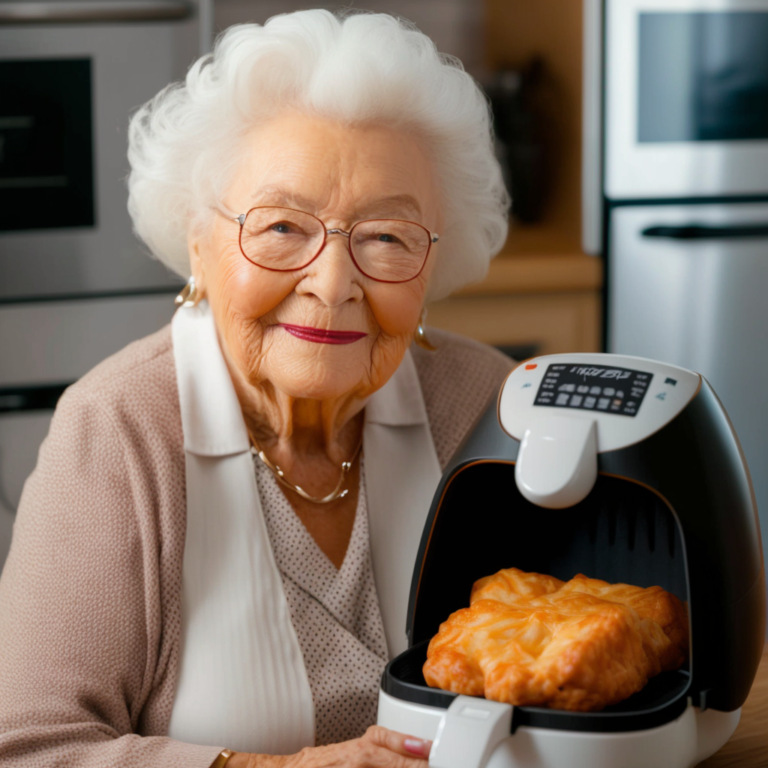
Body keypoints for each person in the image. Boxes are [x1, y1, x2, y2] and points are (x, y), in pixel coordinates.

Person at [0, 9, 511, 768]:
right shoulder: (116, 433)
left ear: (434, 263)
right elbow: (29, 749)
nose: (334, 284)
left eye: (387, 237)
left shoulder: (485, 402)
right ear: (199, 245)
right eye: (280, 228)